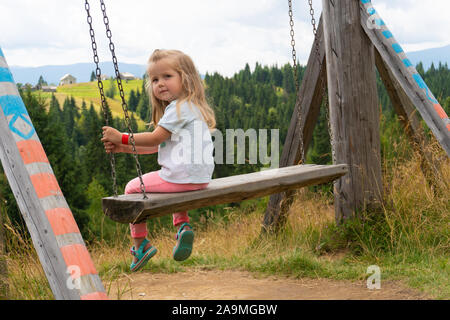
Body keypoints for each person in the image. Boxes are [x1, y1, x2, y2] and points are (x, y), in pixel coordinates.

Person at [101, 49, 216, 272]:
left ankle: (140, 245)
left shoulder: (178, 108)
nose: (160, 83)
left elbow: (155, 137)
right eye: (155, 79)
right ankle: (183, 226)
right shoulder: (192, 107)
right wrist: (123, 147)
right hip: (200, 179)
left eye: (167, 77)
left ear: (187, 78)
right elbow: (156, 146)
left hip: (182, 177)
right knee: (172, 187)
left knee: (132, 188)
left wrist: (121, 136)